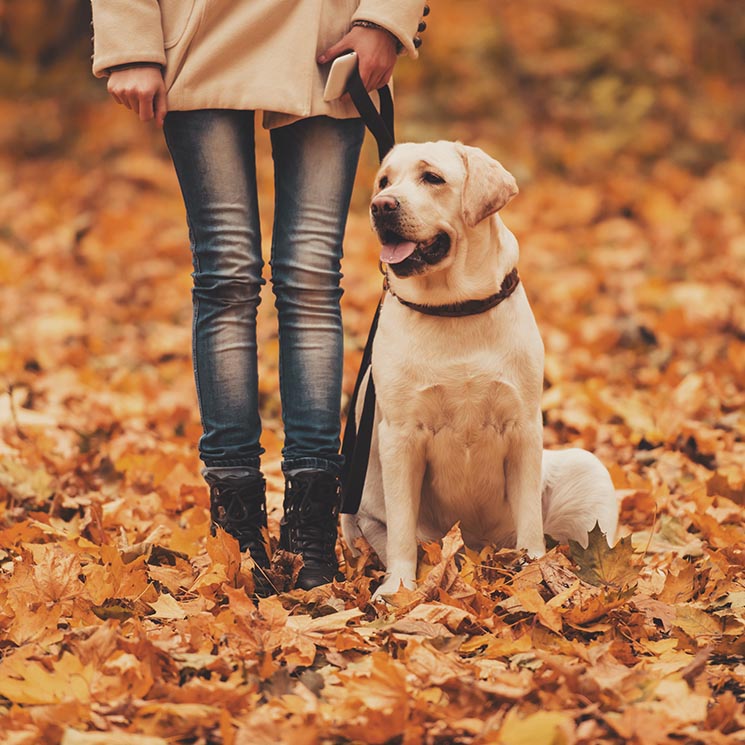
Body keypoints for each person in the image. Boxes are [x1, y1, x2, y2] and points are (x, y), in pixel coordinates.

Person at [90, 0, 426, 592]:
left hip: (331, 39)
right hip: (196, 32)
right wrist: (132, 42)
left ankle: (311, 524)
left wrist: (384, 20)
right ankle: (236, 524)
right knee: (226, 276)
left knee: (313, 277)